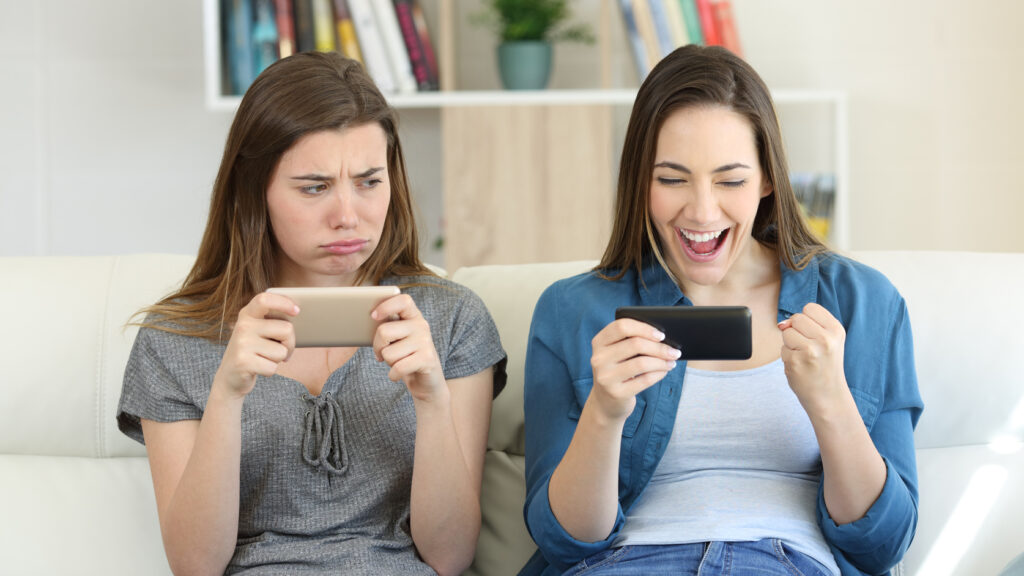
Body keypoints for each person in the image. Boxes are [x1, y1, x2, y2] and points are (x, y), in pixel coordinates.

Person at [520, 45, 922, 576]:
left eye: (730, 180)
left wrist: (831, 403)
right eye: (671, 179)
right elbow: (564, 543)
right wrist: (604, 413)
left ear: (768, 180)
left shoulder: (865, 303)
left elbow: (883, 544)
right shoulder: (571, 310)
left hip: (785, 562)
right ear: (640, 181)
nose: (702, 210)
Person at [116, 51, 506, 576]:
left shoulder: (451, 317)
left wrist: (432, 402)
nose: (348, 216)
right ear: (254, 192)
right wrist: (227, 396)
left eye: (369, 181)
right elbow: (194, 566)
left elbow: (450, 557)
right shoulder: (174, 340)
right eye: (315, 187)